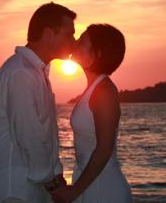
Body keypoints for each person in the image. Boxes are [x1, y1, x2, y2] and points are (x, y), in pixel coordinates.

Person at [0, 2, 77, 203]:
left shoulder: (34, 72)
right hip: (14, 191)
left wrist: (55, 174)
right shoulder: (21, 73)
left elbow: (44, 134)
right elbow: (28, 134)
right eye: (69, 34)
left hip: (26, 190)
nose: (73, 42)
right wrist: (50, 182)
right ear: (49, 34)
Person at [52, 24, 132, 203]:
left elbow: (104, 149)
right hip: (90, 182)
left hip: (104, 187)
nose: (75, 44)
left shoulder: (104, 92)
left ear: (96, 54)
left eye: (81, 42)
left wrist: (74, 192)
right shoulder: (93, 89)